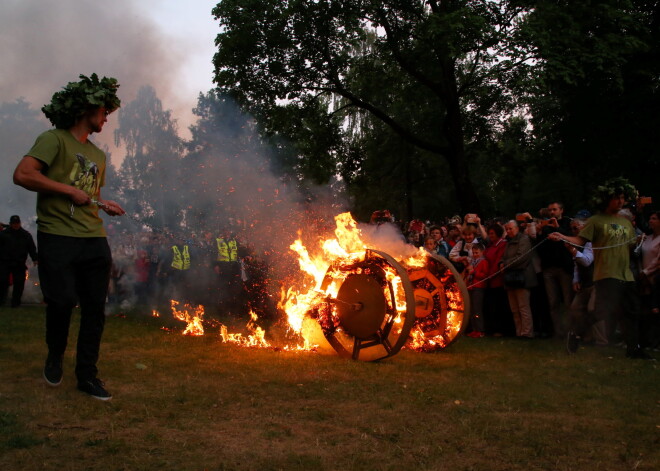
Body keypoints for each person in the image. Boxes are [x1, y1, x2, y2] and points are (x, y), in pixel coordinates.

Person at [13, 74, 125, 399]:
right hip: (57, 236)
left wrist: (104, 205)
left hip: (93, 237)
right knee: (61, 302)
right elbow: (23, 174)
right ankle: (55, 354)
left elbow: (89, 194)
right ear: (88, 107)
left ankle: (87, 375)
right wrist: (66, 189)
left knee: (95, 309)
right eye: (104, 110)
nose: (106, 117)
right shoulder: (54, 139)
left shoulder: (100, 156)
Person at [549, 178, 652, 359]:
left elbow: (629, 249)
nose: (620, 201)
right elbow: (580, 240)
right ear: (606, 199)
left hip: (626, 274)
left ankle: (633, 349)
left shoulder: (626, 223)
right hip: (606, 273)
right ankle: (576, 333)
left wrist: (636, 242)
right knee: (600, 312)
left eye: (622, 198)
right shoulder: (595, 221)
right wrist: (563, 237)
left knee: (632, 311)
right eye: (616, 198)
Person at [535, 202, 575, 338]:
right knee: (553, 302)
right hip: (548, 269)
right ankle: (558, 332)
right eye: (550, 210)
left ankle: (571, 331)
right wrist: (540, 231)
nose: (552, 212)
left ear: (561, 210)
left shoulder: (568, 223)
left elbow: (574, 240)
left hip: (564, 267)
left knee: (568, 301)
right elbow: (539, 248)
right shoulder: (546, 227)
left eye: (555, 209)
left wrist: (560, 230)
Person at [501, 220, 537, 338]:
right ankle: (519, 331)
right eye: (507, 229)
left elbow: (521, 257)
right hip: (510, 278)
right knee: (514, 308)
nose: (508, 231)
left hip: (522, 277)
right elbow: (504, 256)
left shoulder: (524, 239)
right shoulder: (508, 242)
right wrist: (501, 263)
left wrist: (505, 264)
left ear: (517, 228)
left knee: (523, 307)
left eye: (510, 229)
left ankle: (527, 332)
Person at [0, 215, 38, 307]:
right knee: (2, 282)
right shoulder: (3, 235)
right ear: (10, 224)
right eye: (14, 223)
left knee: (19, 284)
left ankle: (16, 303)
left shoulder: (25, 235)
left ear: (20, 223)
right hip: (5, 262)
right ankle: (1, 302)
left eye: (17, 223)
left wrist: (35, 258)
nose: (16, 225)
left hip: (19, 263)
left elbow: (31, 248)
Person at [464, 242, 489, 338]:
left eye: (476, 253)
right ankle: (474, 329)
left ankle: (480, 330)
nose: (474, 255)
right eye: (473, 253)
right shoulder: (472, 262)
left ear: (482, 252)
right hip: (471, 287)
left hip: (479, 287)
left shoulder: (483, 262)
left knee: (477, 310)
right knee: (472, 310)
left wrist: (474, 272)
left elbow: (485, 275)